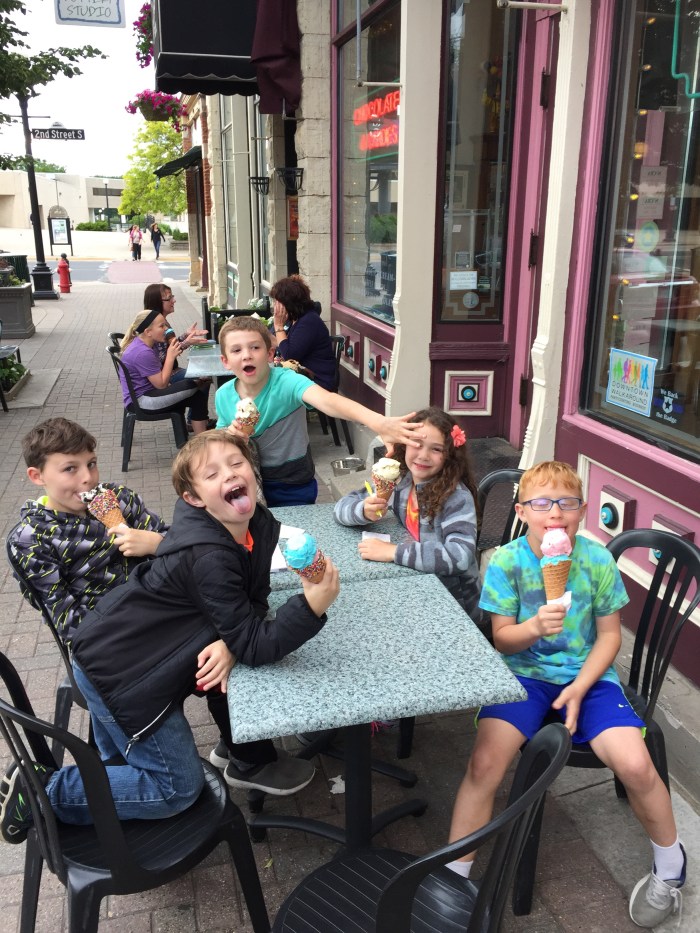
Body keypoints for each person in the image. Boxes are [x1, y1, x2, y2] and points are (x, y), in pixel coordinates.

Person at [0, 432, 340, 841]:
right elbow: (248, 634)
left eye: (236, 463)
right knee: (177, 788)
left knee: (145, 745)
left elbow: (249, 594)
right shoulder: (208, 555)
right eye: (212, 473)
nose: (87, 478)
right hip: (120, 668)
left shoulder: (256, 523)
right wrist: (308, 607)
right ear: (193, 497)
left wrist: (231, 640)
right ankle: (43, 790)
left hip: (157, 645)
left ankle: (234, 760)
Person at [446, 461, 685, 929]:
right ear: (522, 511)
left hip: (589, 677)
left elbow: (610, 637)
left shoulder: (596, 561)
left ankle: (671, 868)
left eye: (567, 502)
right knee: (484, 764)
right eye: (541, 503)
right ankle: (453, 877)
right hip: (523, 675)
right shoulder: (508, 563)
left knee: (637, 765)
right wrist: (534, 627)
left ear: (582, 511)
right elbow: (503, 641)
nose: (554, 512)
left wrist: (579, 686)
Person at [215, 316, 425, 507]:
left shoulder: (287, 381)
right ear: (225, 361)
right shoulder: (223, 395)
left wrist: (378, 422)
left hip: (293, 482)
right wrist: (230, 436)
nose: (247, 356)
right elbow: (219, 440)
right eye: (236, 350)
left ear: (270, 353)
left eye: (254, 348)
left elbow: (328, 401)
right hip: (247, 482)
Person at [9, 418, 168, 649]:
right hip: (109, 638)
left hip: (161, 606)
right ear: (37, 476)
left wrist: (157, 543)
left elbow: (179, 548)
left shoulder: (119, 498)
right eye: (70, 468)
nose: (88, 478)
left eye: (91, 464)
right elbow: (67, 622)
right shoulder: (32, 540)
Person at [334, 407, 481, 623]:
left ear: (450, 456)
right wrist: (362, 510)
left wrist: (393, 552)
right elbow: (340, 508)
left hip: (454, 606)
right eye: (416, 444)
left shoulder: (455, 497)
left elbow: (460, 556)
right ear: (404, 444)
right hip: (416, 590)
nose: (423, 455)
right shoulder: (400, 481)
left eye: (436, 449)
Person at [119, 310, 210, 434]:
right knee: (191, 383)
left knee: (197, 396)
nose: (166, 329)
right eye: (162, 326)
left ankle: (202, 440)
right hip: (141, 402)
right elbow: (161, 385)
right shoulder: (142, 352)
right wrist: (170, 357)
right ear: (148, 332)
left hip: (146, 395)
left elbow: (173, 345)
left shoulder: (148, 343)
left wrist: (186, 339)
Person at [269, 275, 336, 391]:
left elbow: (289, 355)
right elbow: (279, 344)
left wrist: (278, 326)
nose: (275, 306)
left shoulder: (309, 322)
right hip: (300, 377)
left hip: (316, 381)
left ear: (288, 302)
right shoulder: (294, 319)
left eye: (277, 302)